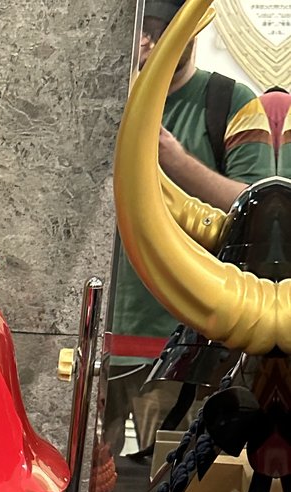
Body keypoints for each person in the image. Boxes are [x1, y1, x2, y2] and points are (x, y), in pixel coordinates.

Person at [104, 0, 275, 456]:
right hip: (98, 333)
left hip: (180, 339)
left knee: (161, 486)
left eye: (162, 27)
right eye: (142, 26)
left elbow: (261, 210)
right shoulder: (99, 104)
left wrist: (174, 160)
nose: (148, 39)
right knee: (89, 479)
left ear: (189, 28)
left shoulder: (232, 102)